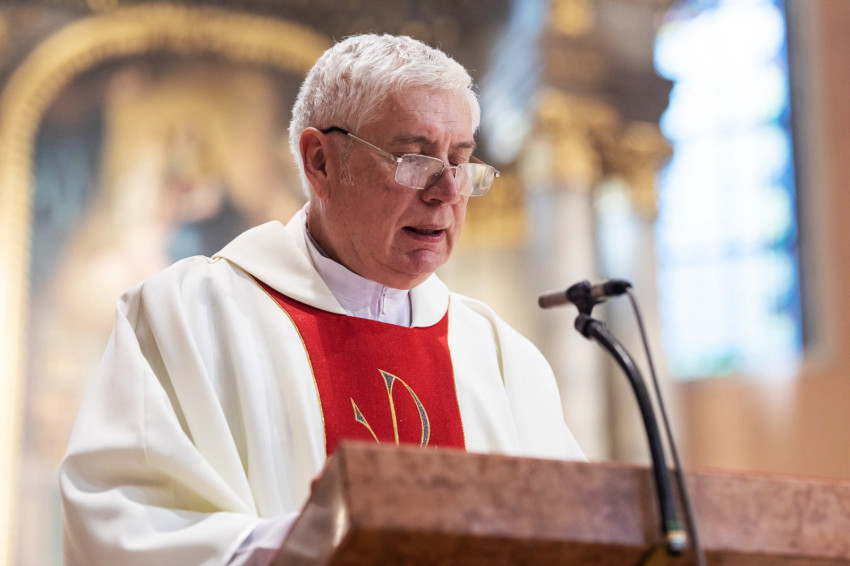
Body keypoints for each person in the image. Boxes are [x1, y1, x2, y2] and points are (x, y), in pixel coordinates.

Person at [60, 34, 584, 566]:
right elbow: (126, 524)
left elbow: (574, 535)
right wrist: (317, 544)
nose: (446, 192)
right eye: (415, 159)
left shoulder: (500, 360)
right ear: (320, 162)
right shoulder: (187, 316)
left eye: (460, 162)